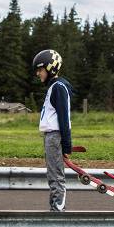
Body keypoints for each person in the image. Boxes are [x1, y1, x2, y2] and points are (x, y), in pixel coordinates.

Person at [33, 49, 75, 212]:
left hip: (55, 136)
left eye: (40, 69)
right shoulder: (55, 87)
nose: (38, 73)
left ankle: (58, 209)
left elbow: (64, 119)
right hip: (51, 137)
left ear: (51, 68)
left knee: (56, 176)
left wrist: (66, 145)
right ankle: (55, 208)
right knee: (53, 175)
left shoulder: (58, 87)